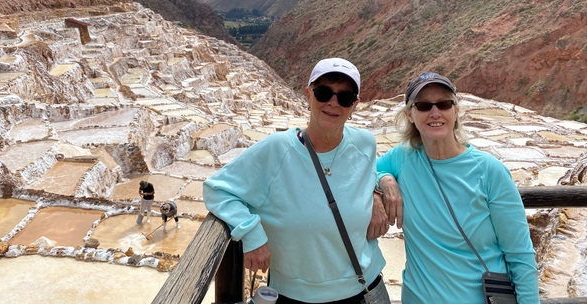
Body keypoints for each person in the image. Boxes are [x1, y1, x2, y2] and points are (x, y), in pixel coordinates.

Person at [204, 58, 391, 303]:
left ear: (355, 105)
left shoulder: (365, 143)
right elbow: (217, 190)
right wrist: (251, 233)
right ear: (308, 95)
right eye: (324, 92)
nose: (333, 103)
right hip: (295, 295)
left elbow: (367, 173)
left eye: (344, 97)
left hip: (365, 288)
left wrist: (377, 192)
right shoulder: (276, 150)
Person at [376, 71, 539, 303]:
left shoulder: (489, 171)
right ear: (410, 115)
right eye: (423, 106)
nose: (435, 113)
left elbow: (520, 255)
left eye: (443, 104)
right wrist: (383, 181)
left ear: (456, 110)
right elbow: (363, 168)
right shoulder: (403, 158)